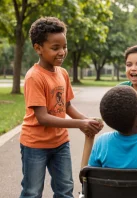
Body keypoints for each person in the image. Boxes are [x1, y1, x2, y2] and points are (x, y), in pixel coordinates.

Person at [20, 17, 103, 198]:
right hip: (35, 144)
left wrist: (86, 120)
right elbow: (43, 117)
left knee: (65, 189)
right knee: (32, 192)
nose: (62, 52)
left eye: (64, 47)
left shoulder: (62, 73)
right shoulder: (34, 77)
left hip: (60, 143)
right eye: (55, 48)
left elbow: (66, 106)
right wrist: (80, 125)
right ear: (38, 48)